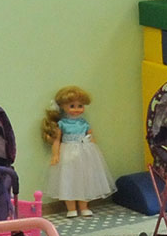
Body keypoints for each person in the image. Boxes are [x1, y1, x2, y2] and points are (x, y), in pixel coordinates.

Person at [42, 85, 114, 217]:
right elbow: (57, 141)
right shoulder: (62, 124)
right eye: (72, 106)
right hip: (67, 153)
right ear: (63, 106)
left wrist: (96, 151)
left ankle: (84, 207)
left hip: (84, 153)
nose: (77, 109)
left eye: (80, 106)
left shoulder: (84, 123)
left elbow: (91, 137)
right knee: (68, 180)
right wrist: (55, 155)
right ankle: (71, 209)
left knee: (85, 180)